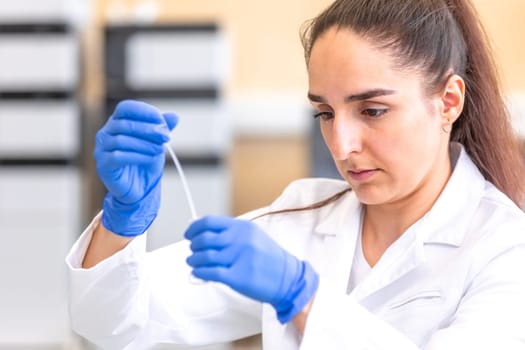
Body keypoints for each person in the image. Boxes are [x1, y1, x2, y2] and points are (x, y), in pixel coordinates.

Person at [66, 0, 525, 348]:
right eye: (324, 113)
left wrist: (302, 298)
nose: (342, 146)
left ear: (448, 101)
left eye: (372, 109)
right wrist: (124, 218)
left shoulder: (505, 247)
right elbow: (114, 323)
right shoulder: (302, 217)